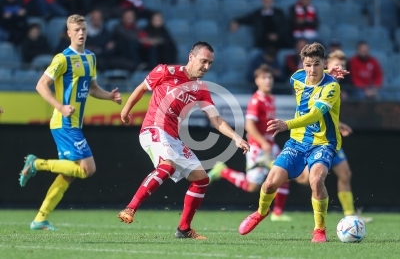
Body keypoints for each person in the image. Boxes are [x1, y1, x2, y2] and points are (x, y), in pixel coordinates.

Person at [116, 41, 250, 239]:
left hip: (173, 137)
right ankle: (130, 208)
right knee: (167, 166)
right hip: (153, 129)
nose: (206, 67)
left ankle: (184, 229)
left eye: (210, 63)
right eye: (203, 61)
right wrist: (126, 111)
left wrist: (236, 137)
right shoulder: (165, 71)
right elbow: (141, 88)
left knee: (202, 180)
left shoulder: (201, 89)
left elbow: (216, 120)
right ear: (191, 57)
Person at [18, 14, 122, 230]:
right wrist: (60, 107)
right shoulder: (62, 58)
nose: (81, 33)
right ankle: (36, 163)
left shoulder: (91, 58)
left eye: (83, 29)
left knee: (69, 174)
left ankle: (40, 219)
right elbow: (41, 85)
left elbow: (92, 88)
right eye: (76, 30)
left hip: (75, 123)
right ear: (68, 33)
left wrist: (109, 97)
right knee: (87, 169)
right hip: (64, 123)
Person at [238, 42, 348, 243]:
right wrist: (326, 70)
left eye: (317, 64)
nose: (311, 69)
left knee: (316, 181)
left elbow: (315, 115)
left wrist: (286, 124)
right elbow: (307, 73)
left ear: (323, 62)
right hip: (297, 142)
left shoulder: (331, 87)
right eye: (308, 64)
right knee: (270, 184)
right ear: (302, 64)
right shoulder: (297, 77)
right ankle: (261, 212)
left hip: (323, 143)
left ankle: (319, 230)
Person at [296, 50, 372, 223]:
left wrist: (338, 124)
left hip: (331, 139)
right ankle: (283, 175)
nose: (341, 68)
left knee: (345, 173)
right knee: (304, 179)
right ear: (325, 65)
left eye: (343, 65)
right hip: (315, 139)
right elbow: (313, 113)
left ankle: (350, 215)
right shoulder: (318, 84)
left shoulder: (336, 84)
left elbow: (328, 113)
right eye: (337, 65)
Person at [208, 64, 292, 222]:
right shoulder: (256, 100)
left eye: (270, 77)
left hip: (270, 145)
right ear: (257, 81)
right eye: (264, 78)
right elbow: (249, 126)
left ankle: (277, 213)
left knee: (285, 174)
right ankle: (222, 171)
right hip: (258, 148)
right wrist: (263, 142)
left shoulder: (270, 98)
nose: (268, 81)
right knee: (252, 186)